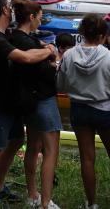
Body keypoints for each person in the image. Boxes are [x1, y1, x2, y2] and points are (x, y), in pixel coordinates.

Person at [0, 0, 56, 206]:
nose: (12, 9)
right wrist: (48, 50)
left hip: (8, 101)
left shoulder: (4, 34)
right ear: (4, 10)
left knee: (16, 141)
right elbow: (26, 57)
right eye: (9, 6)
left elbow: (24, 41)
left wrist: (38, 42)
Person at [9, 0, 61, 209]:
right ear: (31, 17)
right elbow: (48, 73)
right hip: (43, 101)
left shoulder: (15, 37)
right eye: (39, 15)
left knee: (32, 146)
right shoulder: (29, 44)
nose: (41, 19)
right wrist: (55, 59)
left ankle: (33, 194)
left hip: (27, 102)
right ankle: (46, 202)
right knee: (50, 151)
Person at [56, 13, 110, 209]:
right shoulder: (108, 56)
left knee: (87, 159)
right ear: (103, 35)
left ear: (81, 34)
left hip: (79, 110)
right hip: (105, 109)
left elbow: (60, 85)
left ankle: (91, 204)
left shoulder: (69, 55)